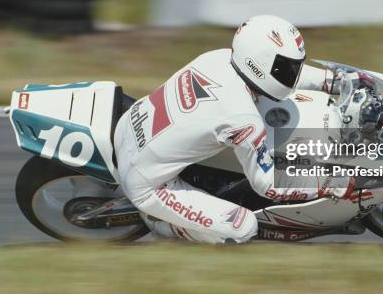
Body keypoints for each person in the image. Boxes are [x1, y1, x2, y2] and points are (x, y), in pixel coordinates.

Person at [114, 15, 354, 244]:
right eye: (286, 68)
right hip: (148, 182)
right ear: (258, 63)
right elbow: (267, 184)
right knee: (243, 228)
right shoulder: (242, 118)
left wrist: (332, 80)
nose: (292, 74)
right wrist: (327, 183)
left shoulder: (218, 57)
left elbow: (276, 78)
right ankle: (158, 222)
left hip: (131, 124)